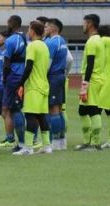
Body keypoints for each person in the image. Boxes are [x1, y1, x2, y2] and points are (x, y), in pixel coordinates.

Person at [10, 21, 51, 155]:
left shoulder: (32, 46)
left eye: (28, 29)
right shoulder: (44, 46)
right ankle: (47, 146)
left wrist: (21, 82)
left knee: (30, 116)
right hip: (44, 85)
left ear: (33, 31)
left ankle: (28, 147)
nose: (27, 32)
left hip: (33, 86)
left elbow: (29, 66)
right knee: (41, 116)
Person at [76, 14, 106, 151]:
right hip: (97, 79)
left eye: (84, 23)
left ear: (90, 24)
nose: (82, 26)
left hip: (93, 80)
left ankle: (95, 143)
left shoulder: (92, 41)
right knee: (82, 110)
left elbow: (90, 63)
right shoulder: (99, 40)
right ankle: (87, 141)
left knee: (94, 111)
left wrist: (85, 84)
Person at [0, 15, 27, 150]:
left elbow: (6, 63)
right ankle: (17, 140)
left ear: (11, 24)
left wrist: (4, 78)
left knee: (14, 109)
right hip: (21, 76)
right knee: (14, 108)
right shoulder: (25, 38)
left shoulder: (10, 40)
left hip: (13, 77)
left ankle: (21, 142)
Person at [44, 18, 69, 151]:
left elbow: (47, 63)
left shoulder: (53, 42)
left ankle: (55, 141)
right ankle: (62, 140)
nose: (45, 29)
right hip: (60, 76)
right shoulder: (63, 41)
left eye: (47, 27)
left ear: (54, 28)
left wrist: (42, 75)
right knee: (59, 109)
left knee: (53, 109)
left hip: (53, 77)